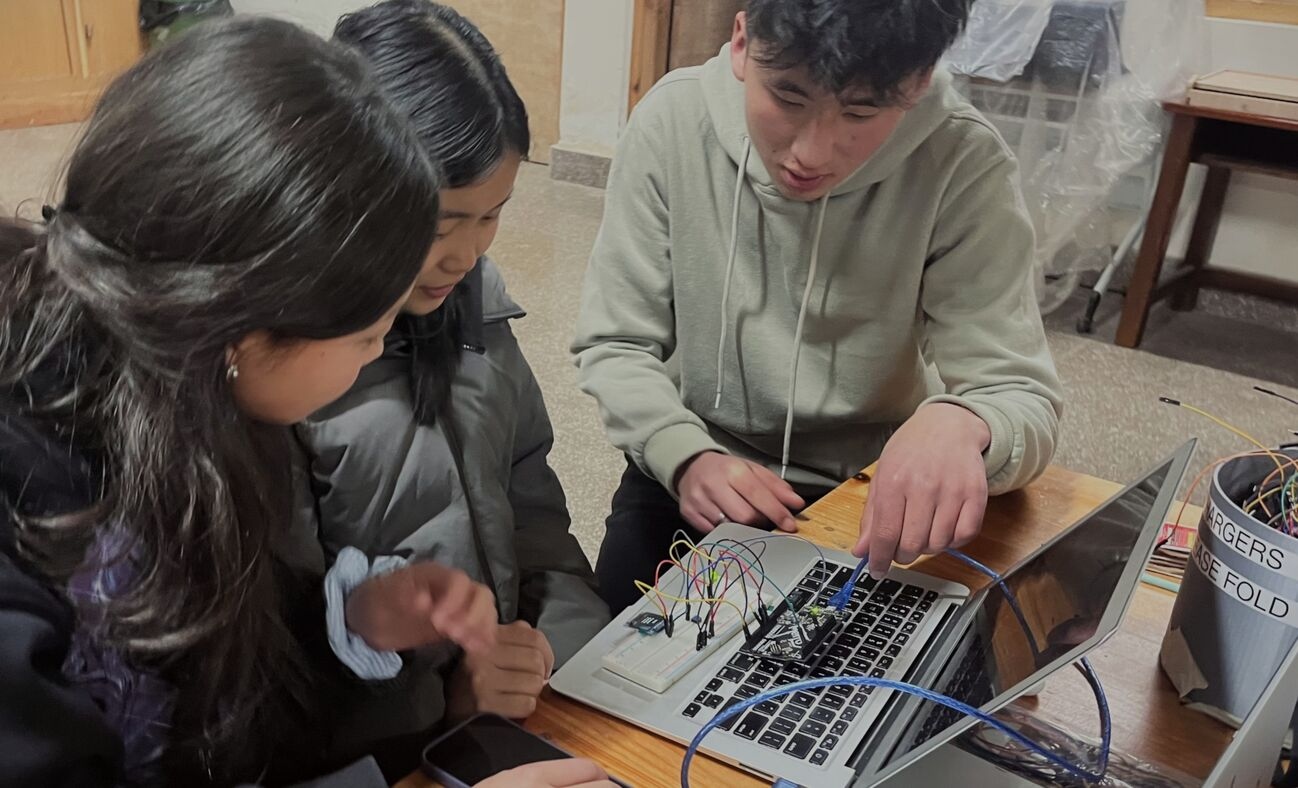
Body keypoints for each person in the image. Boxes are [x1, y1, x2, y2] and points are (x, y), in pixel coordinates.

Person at [0, 18, 615, 788]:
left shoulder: (183, 400)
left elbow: (231, 684)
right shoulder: (46, 505)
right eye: (367, 333)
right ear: (242, 320)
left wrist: (359, 621)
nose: (379, 351)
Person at [572, 0, 1064, 614]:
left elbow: (1022, 397)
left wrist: (965, 425)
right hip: (692, 471)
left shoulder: (963, 161)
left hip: (870, 497)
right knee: (611, 654)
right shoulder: (672, 121)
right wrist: (683, 454)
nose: (810, 153)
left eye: (860, 112)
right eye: (787, 96)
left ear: (917, 82)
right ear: (742, 42)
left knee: (926, 665)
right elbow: (615, 343)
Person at [291, 0, 609, 768]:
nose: (465, 256)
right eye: (440, 225)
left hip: (502, 720)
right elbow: (280, 660)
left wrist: (559, 653)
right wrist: (447, 705)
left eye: (492, 217)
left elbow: (534, 513)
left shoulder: (473, 309)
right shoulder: (288, 368)